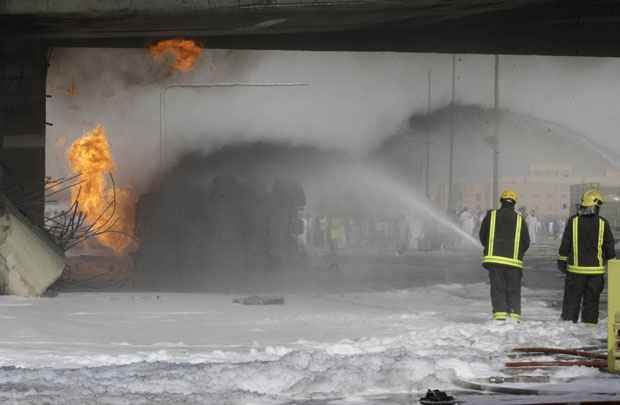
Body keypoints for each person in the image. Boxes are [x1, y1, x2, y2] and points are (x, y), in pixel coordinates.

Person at [558, 189, 615, 324]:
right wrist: (612, 266)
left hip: (575, 273)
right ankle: (589, 331)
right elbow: (609, 247)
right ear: (596, 206)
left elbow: (566, 243)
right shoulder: (603, 223)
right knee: (591, 304)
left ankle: (568, 331)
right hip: (596, 274)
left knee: (571, 304)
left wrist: (562, 261)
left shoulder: (573, 221)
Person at [479, 189, 530, 321]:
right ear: (514, 203)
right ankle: (514, 316)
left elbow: (482, 235)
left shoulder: (491, 215)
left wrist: (489, 248)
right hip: (514, 262)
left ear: (501, 201)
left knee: (498, 288)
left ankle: (500, 316)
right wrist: (518, 253)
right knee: (513, 289)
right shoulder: (520, 219)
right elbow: (526, 241)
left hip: (494, 260)